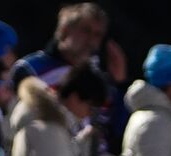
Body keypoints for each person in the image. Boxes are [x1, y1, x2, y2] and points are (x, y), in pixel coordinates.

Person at [11, 3, 127, 147]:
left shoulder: (100, 79)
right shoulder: (30, 68)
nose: (91, 40)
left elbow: (114, 129)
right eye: (85, 30)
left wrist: (120, 83)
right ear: (64, 31)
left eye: (98, 35)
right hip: (47, 152)